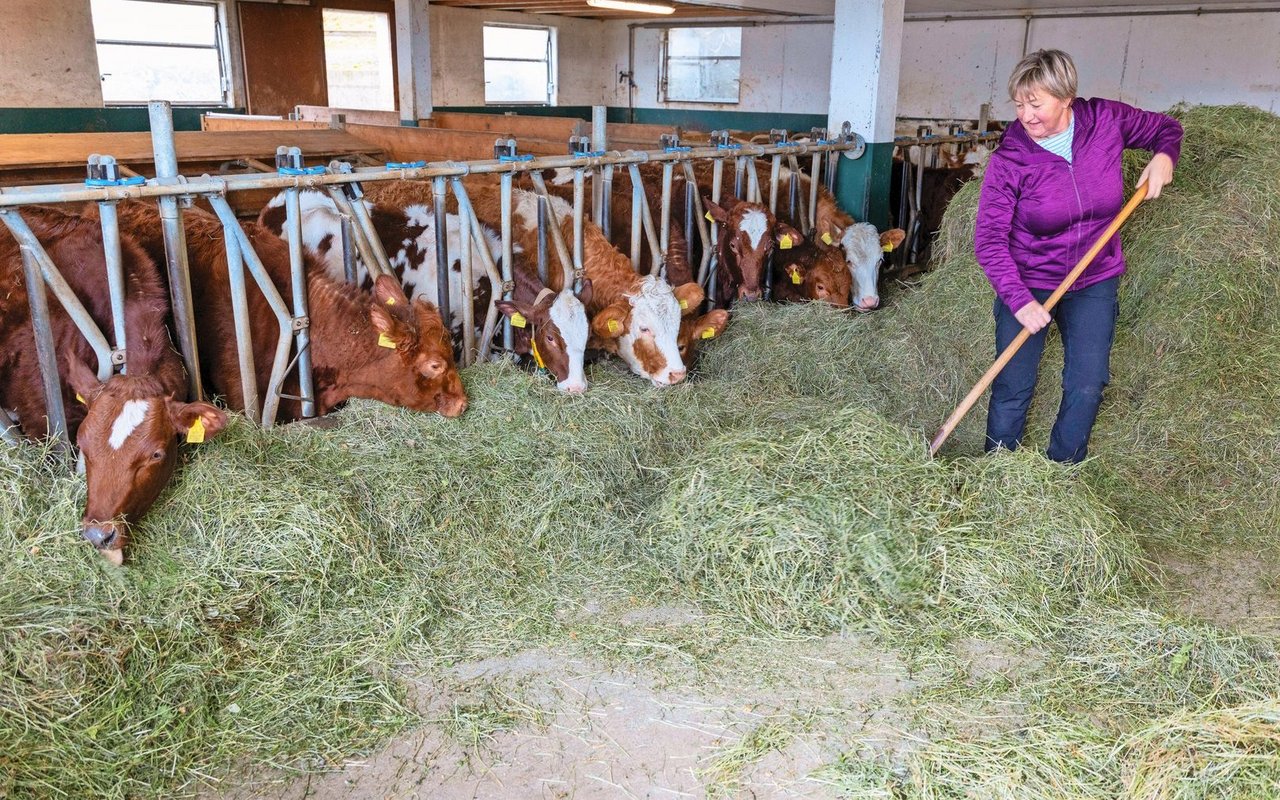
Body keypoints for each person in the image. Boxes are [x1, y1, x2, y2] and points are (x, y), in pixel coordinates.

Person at [974, 49, 1182, 463]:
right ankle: (996, 473)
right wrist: (1020, 300)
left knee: (1086, 382)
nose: (1026, 116)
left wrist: (1164, 156)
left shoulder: (1105, 120)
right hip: (1030, 278)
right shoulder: (1011, 159)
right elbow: (989, 240)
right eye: (1019, 104)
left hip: (1094, 277)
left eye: (1036, 104)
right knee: (1013, 382)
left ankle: (1062, 471)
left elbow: (1166, 128)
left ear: (1067, 97)